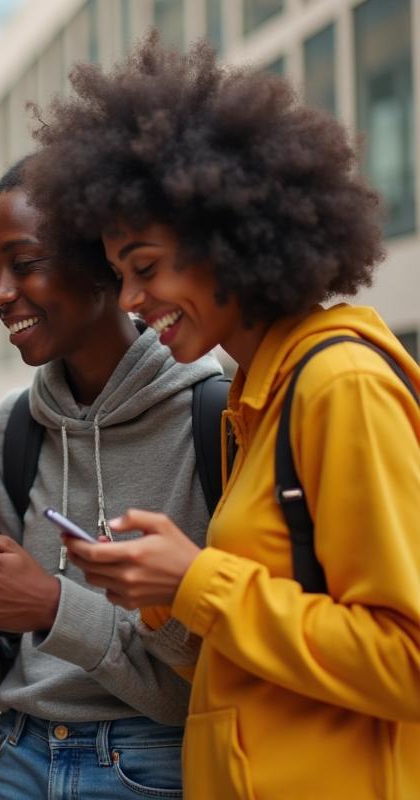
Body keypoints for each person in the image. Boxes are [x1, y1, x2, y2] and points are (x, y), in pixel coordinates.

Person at [27, 36, 420, 799]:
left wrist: (197, 577)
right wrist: (161, 593)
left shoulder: (337, 385)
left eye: (147, 268)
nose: (133, 301)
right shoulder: (256, 401)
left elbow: (407, 659)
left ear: (235, 236)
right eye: (119, 277)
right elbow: (249, 656)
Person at [0, 157, 220, 799]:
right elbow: (1, 652)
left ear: (104, 263)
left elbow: (212, 674)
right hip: (16, 756)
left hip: (154, 765)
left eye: (23, 264)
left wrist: (56, 606)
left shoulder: (215, 417)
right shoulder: (15, 429)